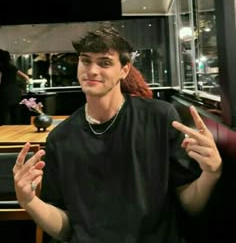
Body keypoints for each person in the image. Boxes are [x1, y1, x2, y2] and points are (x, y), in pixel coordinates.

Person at [13, 24, 222, 243]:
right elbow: (66, 229)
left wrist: (211, 173)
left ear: (124, 70)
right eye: (85, 61)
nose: (91, 70)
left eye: (104, 63)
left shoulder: (159, 117)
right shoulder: (61, 137)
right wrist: (29, 202)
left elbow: (189, 204)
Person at [0, 49, 30, 125]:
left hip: (4, 91)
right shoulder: (12, 67)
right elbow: (26, 77)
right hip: (15, 91)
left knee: (3, 114)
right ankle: (16, 129)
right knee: (15, 114)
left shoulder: (1, 67)